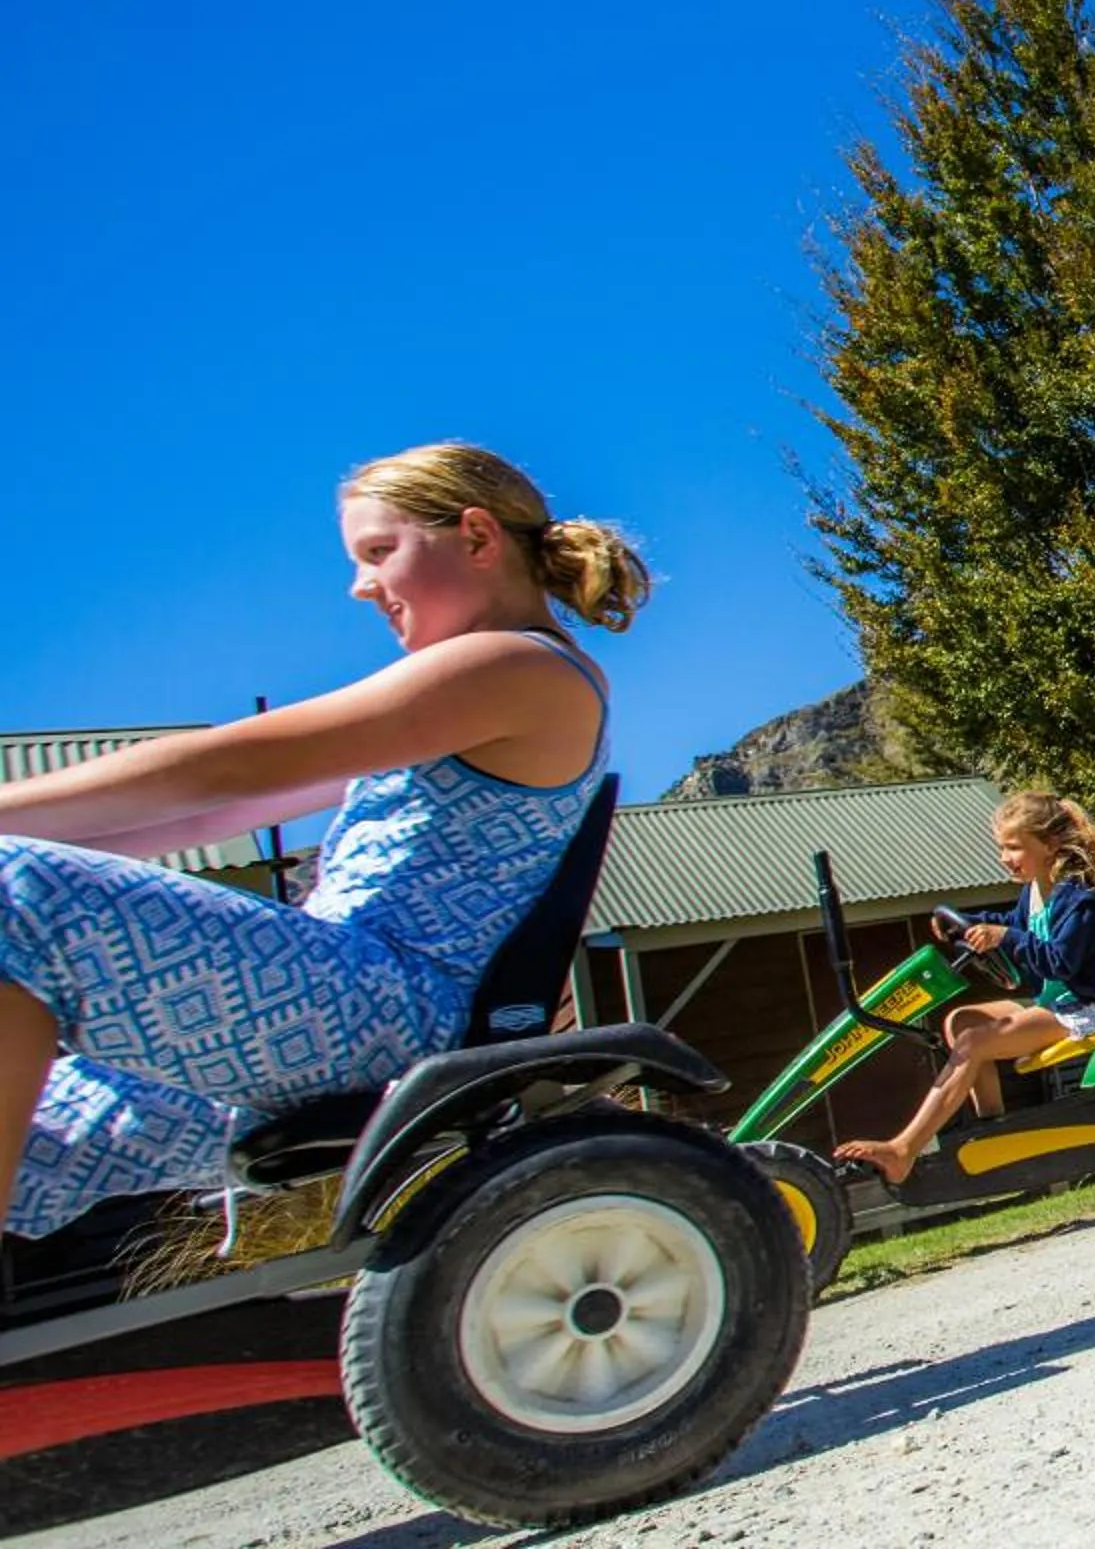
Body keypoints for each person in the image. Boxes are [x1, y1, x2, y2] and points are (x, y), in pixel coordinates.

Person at [0, 443, 645, 1238]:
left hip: (387, 1009)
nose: (361, 584)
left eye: (379, 552)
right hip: (315, 1018)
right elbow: (201, 820)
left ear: (478, 538)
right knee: (44, 1126)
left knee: (17, 893)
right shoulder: (475, 691)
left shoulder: (519, 666)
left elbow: (229, 767)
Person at [834, 791, 1095, 1186]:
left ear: (1049, 845)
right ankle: (993, 1125)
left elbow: (1060, 961)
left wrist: (1004, 936)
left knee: (975, 1042)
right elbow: (1010, 922)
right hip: (1052, 1002)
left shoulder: (1082, 900)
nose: (1004, 858)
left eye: (1014, 848)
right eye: (1002, 848)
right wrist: (967, 922)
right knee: (962, 1020)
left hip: (1080, 1009)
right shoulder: (1035, 893)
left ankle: (903, 1149)